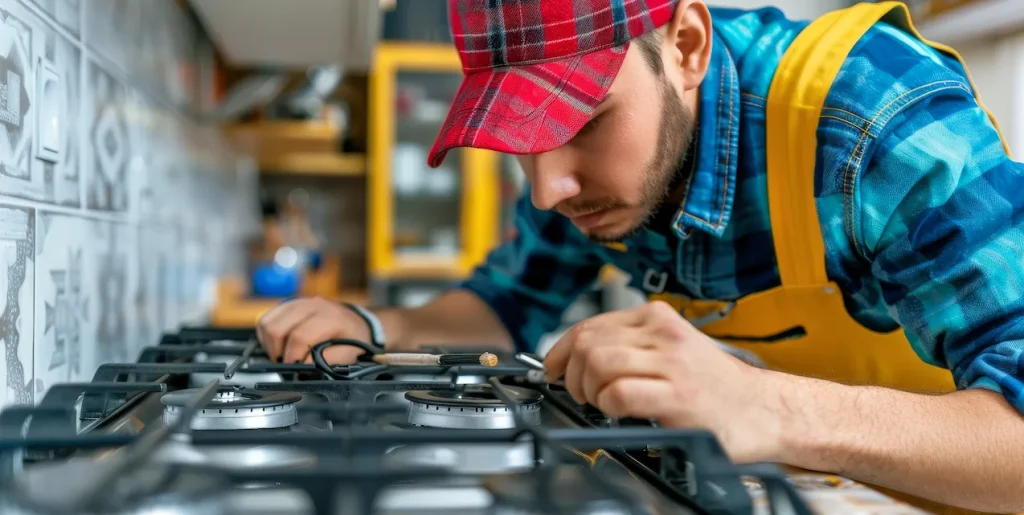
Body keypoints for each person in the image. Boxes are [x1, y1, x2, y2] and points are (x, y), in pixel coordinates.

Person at [256, 1, 1024, 512]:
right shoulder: (589, 176)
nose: (548, 188)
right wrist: (374, 325)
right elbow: (504, 305)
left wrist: (768, 405)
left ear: (685, 45)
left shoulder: (875, 117)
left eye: (583, 120)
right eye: (521, 134)